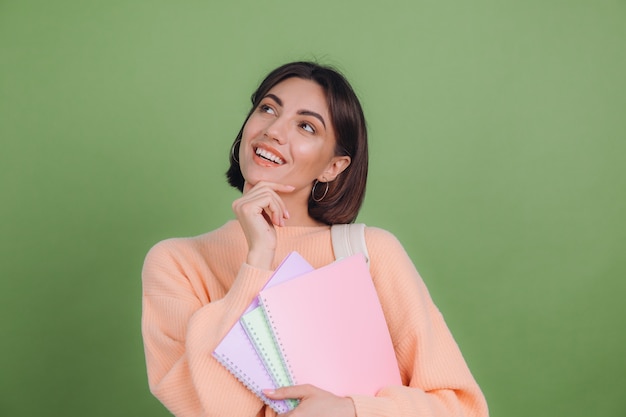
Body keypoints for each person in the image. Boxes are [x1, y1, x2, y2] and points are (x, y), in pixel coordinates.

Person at [141, 61, 489, 417]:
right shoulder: (177, 264)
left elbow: (463, 409)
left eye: (306, 126)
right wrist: (258, 258)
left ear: (333, 167)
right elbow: (210, 409)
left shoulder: (370, 255)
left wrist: (351, 411)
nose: (274, 130)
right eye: (267, 109)